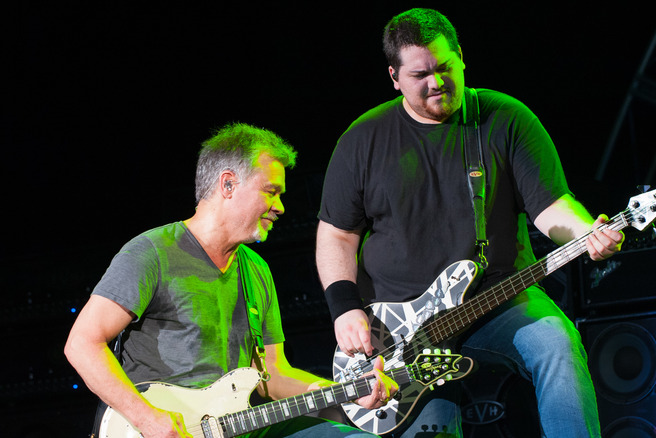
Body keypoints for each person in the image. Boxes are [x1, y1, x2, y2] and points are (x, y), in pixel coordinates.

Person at [316, 8, 624, 438]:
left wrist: (587, 232)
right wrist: (344, 308)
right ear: (394, 76)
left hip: (498, 297)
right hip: (403, 329)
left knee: (558, 345)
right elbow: (336, 234)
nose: (437, 82)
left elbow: (551, 205)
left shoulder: (504, 118)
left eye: (445, 67)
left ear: (461, 56)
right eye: (421, 74)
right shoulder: (362, 140)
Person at [65, 122, 398, 438]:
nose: (280, 206)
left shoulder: (256, 270)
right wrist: (147, 419)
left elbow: (273, 375)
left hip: (239, 426)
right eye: (271, 192)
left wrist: (344, 392)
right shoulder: (151, 253)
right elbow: (82, 344)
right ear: (227, 184)